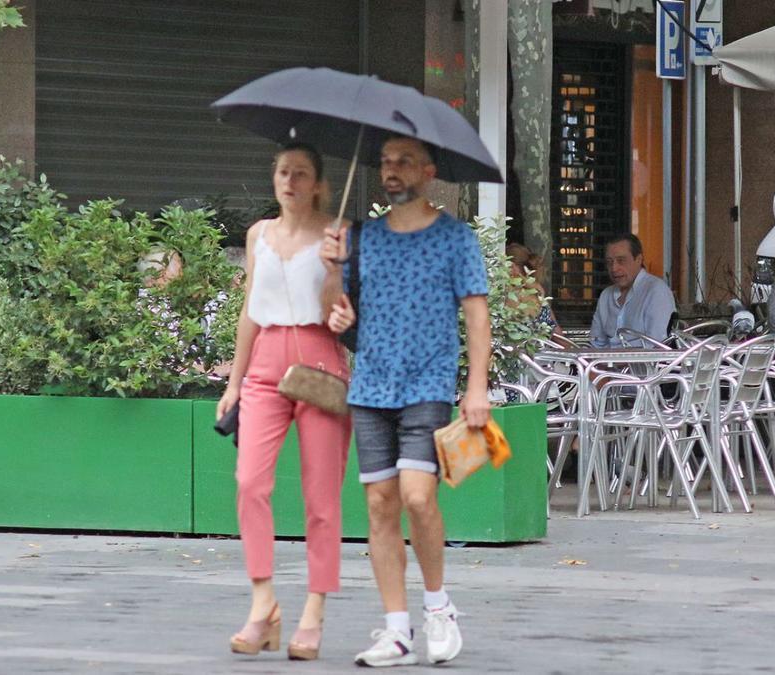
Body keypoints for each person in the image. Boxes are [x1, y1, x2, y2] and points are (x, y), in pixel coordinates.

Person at [319, 133, 490, 667]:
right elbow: (338, 313)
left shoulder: (455, 239)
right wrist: (331, 272)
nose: (390, 171)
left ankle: (438, 607)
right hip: (370, 385)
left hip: (428, 384)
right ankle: (396, 629)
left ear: (427, 170)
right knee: (378, 504)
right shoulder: (363, 238)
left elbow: (477, 314)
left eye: (403, 163)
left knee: (418, 497)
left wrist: (477, 385)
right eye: (386, 162)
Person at [216, 143, 351, 661]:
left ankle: (313, 611)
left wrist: (335, 268)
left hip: (319, 358)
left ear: (319, 184)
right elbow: (250, 310)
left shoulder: (336, 235)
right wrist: (234, 381)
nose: (289, 181)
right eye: (281, 172)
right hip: (266, 361)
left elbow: (336, 313)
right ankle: (262, 604)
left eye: (300, 174)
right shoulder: (258, 236)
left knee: (321, 495)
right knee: (250, 481)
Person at [590, 233, 676, 347]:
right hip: (604, 363)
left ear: (638, 259)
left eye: (621, 260)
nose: (614, 268)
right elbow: (596, 344)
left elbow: (658, 346)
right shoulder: (606, 296)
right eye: (609, 262)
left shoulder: (656, 291)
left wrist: (615, 363)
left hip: (645, 363)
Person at [506, 241, 561, 335]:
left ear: (511, 267)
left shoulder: (509, 294)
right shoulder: (538, 292)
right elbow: (557, 333)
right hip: (543, 347)